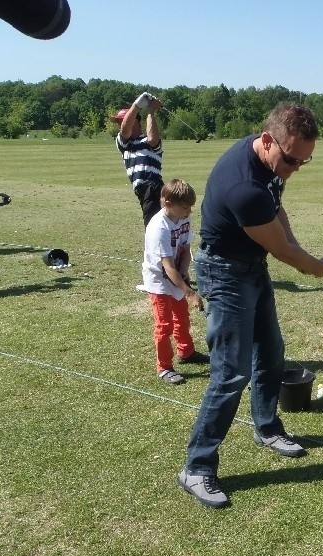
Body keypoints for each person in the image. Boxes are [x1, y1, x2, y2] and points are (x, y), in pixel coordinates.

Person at [178, 103, 323, 509]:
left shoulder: (269, 163)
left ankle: (266, 426)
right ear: (267, 142)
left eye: (305, 162)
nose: (295, 169)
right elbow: (280, 248)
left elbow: (276, 209)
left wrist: (301, 248)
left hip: (252, 267)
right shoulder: (243, 186)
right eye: (291, 160)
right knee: (231, 373)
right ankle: (196, 468)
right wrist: (314, 265)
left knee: (271, 353)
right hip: (225, 273)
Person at [138, 179, 210, 385]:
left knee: (182, 317)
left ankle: (186, 352)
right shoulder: (159, 228)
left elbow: (185, 250)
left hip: (176, 275)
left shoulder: (183, 219)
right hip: (159, 280)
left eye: (190, 207)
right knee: (164, 325)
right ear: (168, 204)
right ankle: (164, 367)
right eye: (185, 207)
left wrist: (185, 271)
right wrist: (190, 292)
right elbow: (167, 267)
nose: (189, 212)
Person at [113, 91, 164, 227]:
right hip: (142, 191)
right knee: (156, 226)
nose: (119, 125)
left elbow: (153, 140)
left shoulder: (147, 140)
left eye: (120, 121)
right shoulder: (123, 143)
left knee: (153, 227)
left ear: (135, 121)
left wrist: (150, 111)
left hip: (153, 187)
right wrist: (136, 105)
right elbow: (124, 130)